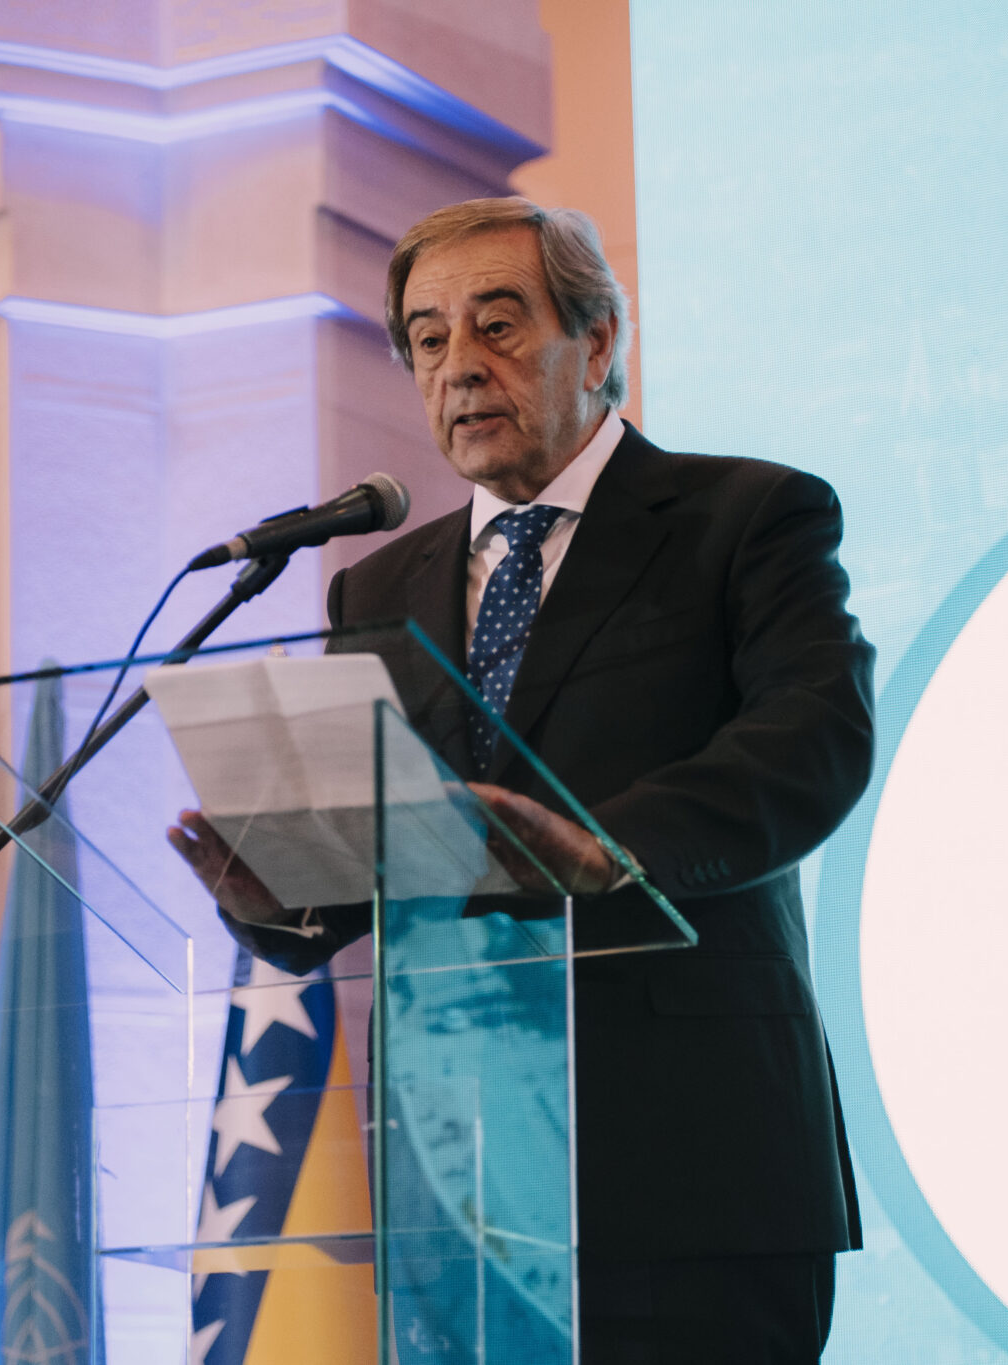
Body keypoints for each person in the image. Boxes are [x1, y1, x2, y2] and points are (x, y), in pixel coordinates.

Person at [169, 196, 876, 1364]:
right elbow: (390, 839)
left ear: (595, 344)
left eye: (495, 325)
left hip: (693, 1158)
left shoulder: (743, 517)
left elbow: (812, 738)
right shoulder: (376, 588)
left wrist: (606, 848)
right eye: (427, 339)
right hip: (456, 1175)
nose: (458, 366)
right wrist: (281, 900)